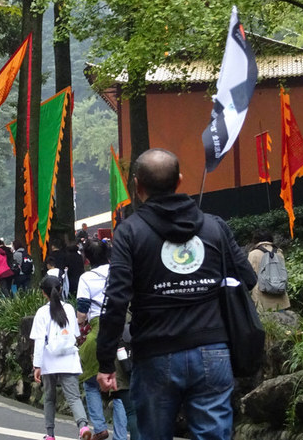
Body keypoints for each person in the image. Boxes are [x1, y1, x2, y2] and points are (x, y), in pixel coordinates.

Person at [96, 148, 255, 440]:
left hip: (155, 351)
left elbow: (116, 300)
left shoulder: (129, 232)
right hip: (213, 348)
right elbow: (248, 277)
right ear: (180, 181)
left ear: (137, 186)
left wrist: (106, 360)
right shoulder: (214, 227)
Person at [31, 275, 92, 440]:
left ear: (43, 293)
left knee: (49, 398)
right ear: (60, 290)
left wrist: (37, 365)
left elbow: (38, 341)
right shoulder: (70, 309)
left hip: (49, 360)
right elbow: (76, 334)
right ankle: (83, 426)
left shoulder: (42, 312)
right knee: (74, 397)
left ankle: (50, 434)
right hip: (68, 359)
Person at [77, 240, 113, 440]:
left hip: (98, 330)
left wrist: (79, 327)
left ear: (88, 258)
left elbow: (82, 312)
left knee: (90, 382)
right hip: (123, 327)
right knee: (122, 385)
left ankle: (99, 427)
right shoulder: (119, 271)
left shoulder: (87, 277)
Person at [246, 230, 290, 311]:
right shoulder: (279, 252)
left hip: (261, 296)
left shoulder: (253, 253)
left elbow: (249, 274)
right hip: (279, 293)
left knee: (265, 321)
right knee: (282, 320)